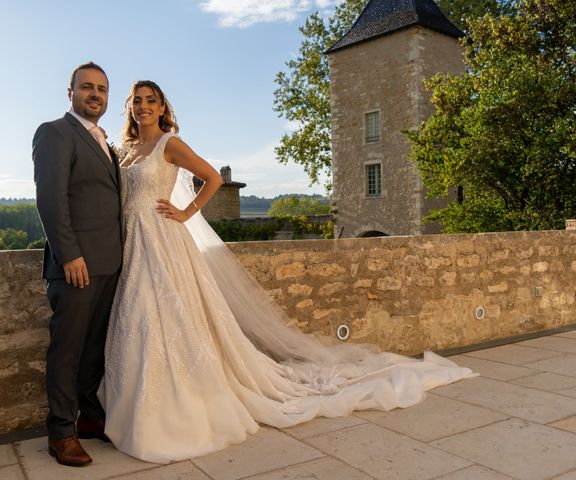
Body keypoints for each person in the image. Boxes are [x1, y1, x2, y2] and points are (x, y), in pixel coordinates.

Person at [99, 80, 475, 464]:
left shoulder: (169, 144)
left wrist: (185, 213)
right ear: (129, 108)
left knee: (159, 316)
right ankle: (135, 408)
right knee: (136, 319)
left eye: (151, 101)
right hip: (132, 244)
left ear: (162, 108)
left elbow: (213, 178)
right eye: (137, 101)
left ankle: (174, 410)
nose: (143, 106)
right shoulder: (126, 150)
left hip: (163, 243)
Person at [33, 62, 122, 467]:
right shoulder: (54, 133)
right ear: (69, 93)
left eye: (102, 89)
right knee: (67, 351)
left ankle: (88, 419)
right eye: (87, 87)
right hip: (76, 265)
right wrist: (69, 254)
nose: (95, 94)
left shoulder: (105, 141)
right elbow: (51, 200)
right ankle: (61, 432)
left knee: (93, 351)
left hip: (109, 263)